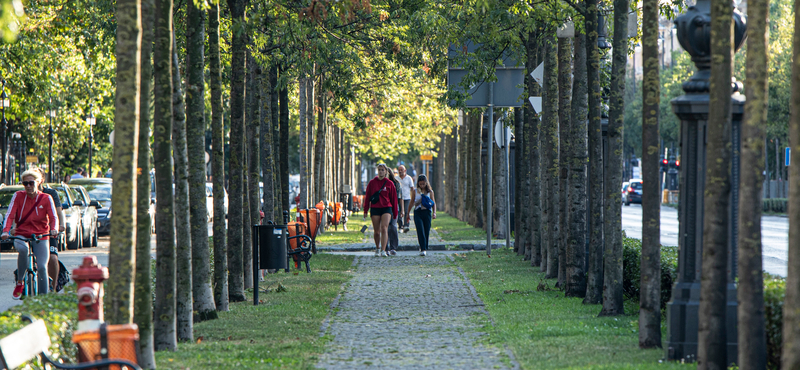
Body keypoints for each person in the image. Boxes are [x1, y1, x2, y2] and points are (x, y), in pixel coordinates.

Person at [2, 169, 59, 298]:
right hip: (21, 234)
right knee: (23, 249)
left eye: (31, 183)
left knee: (43, 267)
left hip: (41, 236)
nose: (28, 186)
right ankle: (20, 281)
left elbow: (54, 217)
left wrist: (54, 229)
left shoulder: (46, 198)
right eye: (25, 183)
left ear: (38, 182)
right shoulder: (18, 196)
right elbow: (10, 215)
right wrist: (5, 231)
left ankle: (43, 298)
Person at [36, 169, 66, 292]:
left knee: (52, 258)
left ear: (41, 180)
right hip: (30, 231)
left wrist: (61, 225)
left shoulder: (50, 194)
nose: (29, 185)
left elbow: (58, 212)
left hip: (48, 231)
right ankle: (22, 281)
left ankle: (53, 288)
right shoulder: (22, 194)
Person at [362, 163, 397, 257]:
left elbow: (394, 199)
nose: (381, 171)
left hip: (386, 208)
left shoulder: (390, 184)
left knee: (384, 228)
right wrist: (365, 210)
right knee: (377, 231)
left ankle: (383, 250)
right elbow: (368, 197)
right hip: (375, 208)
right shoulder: (372, 182)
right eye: (379, 170)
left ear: (386, 171)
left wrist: (395, 212)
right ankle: (377, 248)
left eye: (382, 170)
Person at [412, 174, 436, 256]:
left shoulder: (430, 192)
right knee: (420, 230)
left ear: (426, 183)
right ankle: (423, 248)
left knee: (426, 231)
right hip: (418, 212)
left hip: (427, 212)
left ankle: (424, 246)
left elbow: (433, 203)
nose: (422, 185)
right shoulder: (415, 191)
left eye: (423, 184)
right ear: (418, 183)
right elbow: (412, 202)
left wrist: (434, 212)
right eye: (420, 184)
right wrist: (407, 213)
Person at [386, 170, 402, 256]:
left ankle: (393, 247)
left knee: (393, 226)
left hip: (394, 207)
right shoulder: (381, 183)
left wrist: (402, 210)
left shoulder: (396, 184)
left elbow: (400, 198)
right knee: (385, 227)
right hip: (384, 208)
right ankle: (386, 247)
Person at [397, 165, 415, 233]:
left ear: (405, 170)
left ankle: (406, 226)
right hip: (398, 198)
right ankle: (400, 226)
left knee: (407, 212)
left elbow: (412, 189)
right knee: (399, 212)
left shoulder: (409, 178)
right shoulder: (396, 178)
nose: (400, 171)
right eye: (399, 170)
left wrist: (413, 198)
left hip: (407, 198)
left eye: (401, 169)